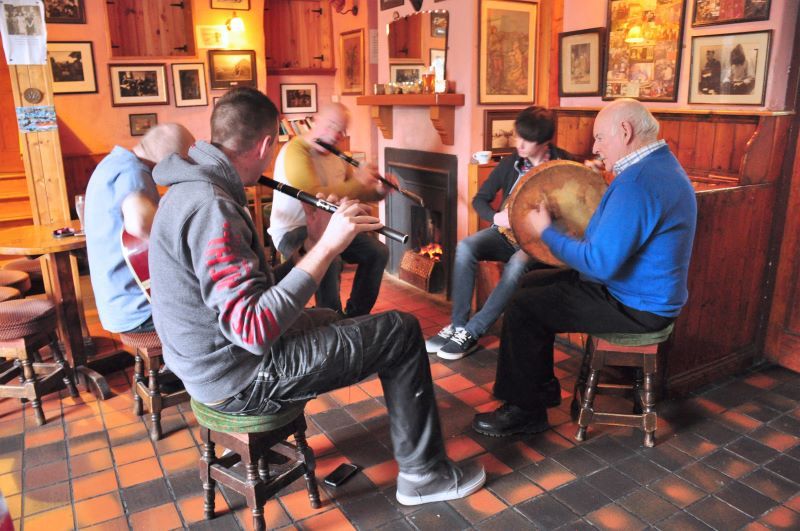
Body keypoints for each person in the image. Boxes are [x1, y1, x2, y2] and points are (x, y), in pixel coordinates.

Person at [149, 87, 485, 505]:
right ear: (267, 144)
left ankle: (415, 455)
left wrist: (310, 247)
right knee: (400, 330)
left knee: (330, 316)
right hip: (236, 375)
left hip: (209, 361)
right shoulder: (211, 208)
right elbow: (253, 330)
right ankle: (424, 475)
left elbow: (253, 295)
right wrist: (330, 247)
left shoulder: (188, 189)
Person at [472, 99, 697, 437]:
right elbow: (612, 237)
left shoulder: (639, 182)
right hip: (636, 290)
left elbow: (599, 262)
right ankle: (540, 389)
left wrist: (546, 229)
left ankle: (526, 411)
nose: (595, 147)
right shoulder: (657, 166)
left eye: (600, 138)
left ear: (625, 131)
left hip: (635, 305)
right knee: (527, 282)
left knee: (523, 307)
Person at [426, 107, 574, 360]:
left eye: (527, 140)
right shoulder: (511, 163)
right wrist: (496, 216)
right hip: (505, 234)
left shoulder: (565, 165)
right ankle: (458, 325)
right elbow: (480, 199)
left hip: (541, 243)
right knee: (466, 247)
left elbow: (576, 212)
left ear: (545, 142)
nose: (520, 145)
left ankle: (473, 331)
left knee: (517, 264)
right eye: (518, 137)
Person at [268, 103, 390, 317]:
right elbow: (315, 196)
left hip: (330, 227)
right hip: (293, 230)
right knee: (330, 259)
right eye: (331, 126)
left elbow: (358, 191)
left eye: (341, 130)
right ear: (314, 120)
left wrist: (379, 189)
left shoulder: (337, 156)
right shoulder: (295, 150)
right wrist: (359, 182)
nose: (335, 135)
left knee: (378, 252)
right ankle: (331, 322)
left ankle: (355, 317)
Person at [84, 123, 194, 335]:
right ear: (171, 161)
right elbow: (139, 223)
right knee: (219, 314)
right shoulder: (133, 173)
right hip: (140, 309)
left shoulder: (112, 162)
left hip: (115, 305)